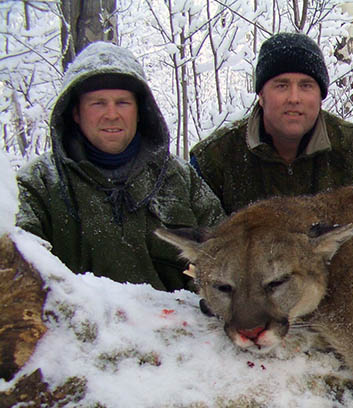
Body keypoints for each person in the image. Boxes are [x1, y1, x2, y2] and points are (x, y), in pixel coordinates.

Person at [16, 41, 224, 291]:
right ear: (75, 113)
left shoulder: (180, 178)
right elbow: (17, 274)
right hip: (82, 325)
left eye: (123, 103)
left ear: (140, 111)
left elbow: (227, 256)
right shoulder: (37, 184)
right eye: (98, 103)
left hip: (176, 324)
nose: (112, 114)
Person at [190, 32, 353, 214]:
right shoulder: (214, 159)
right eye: (282, 85)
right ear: (261, 95)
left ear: (320, 96)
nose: (294, 98)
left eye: (306, 86)